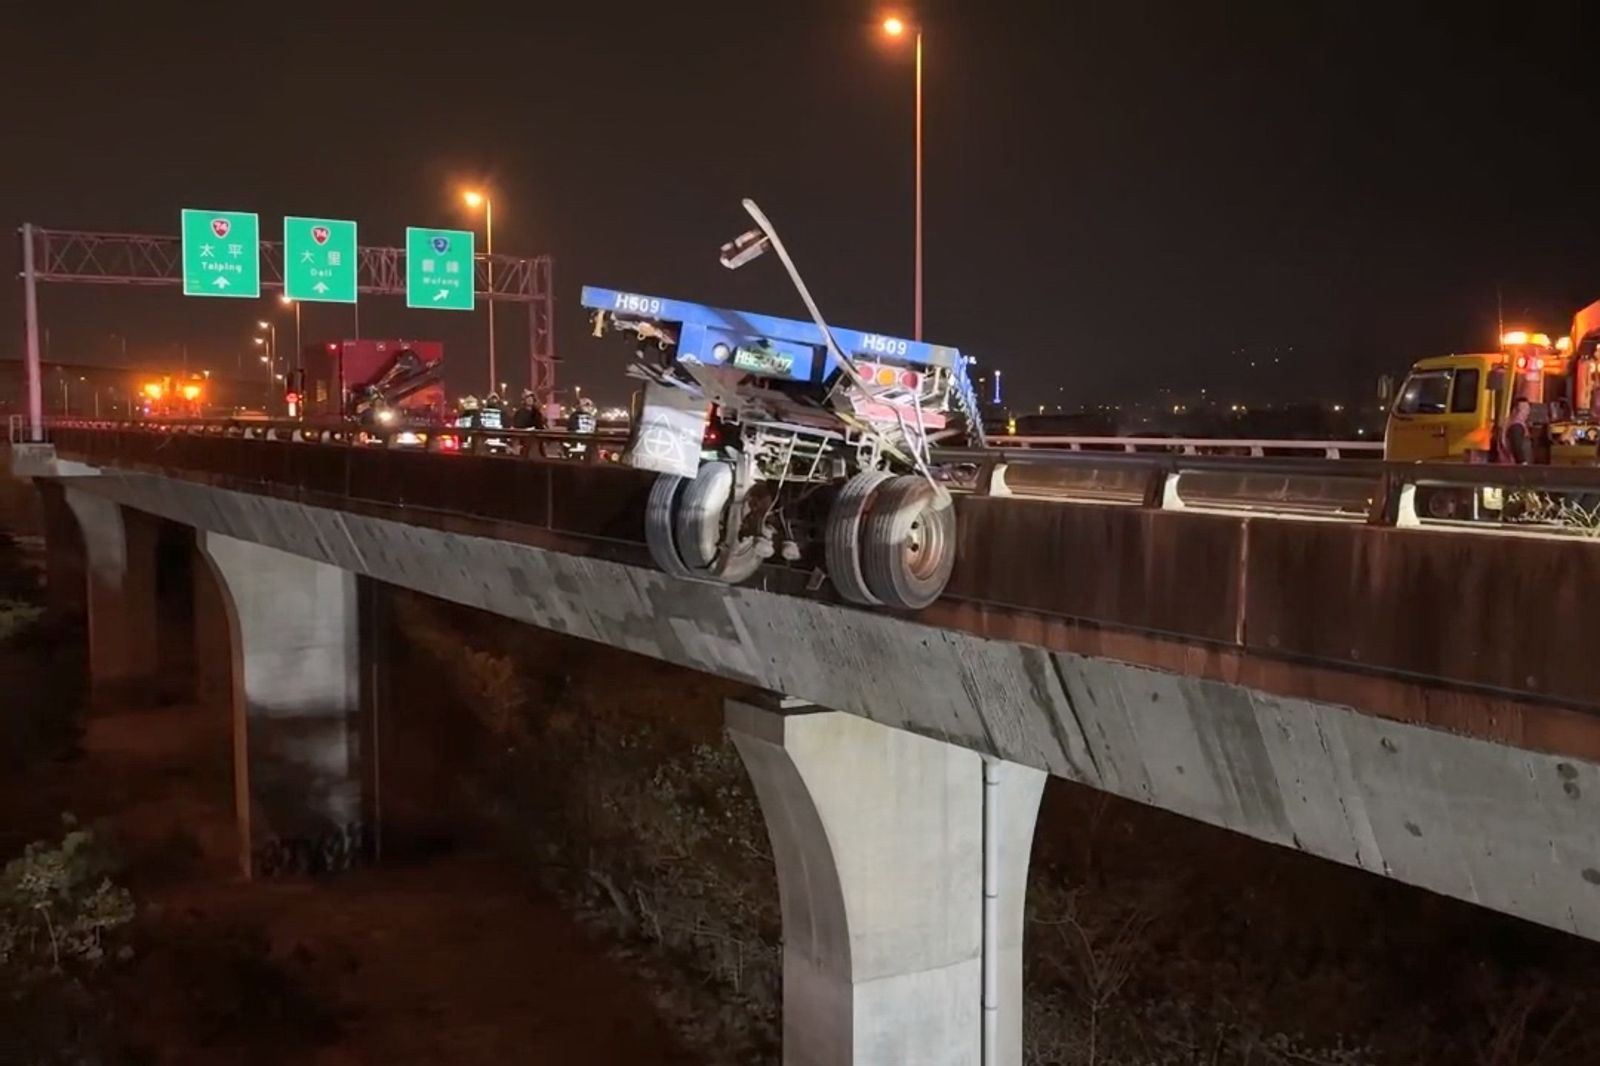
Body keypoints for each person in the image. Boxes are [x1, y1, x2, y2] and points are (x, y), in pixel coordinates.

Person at [1502, 396, 1533, 465]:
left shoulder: (1509, 422)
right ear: (1515, 410)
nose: (1527, 413)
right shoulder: (1516, 426)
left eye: (1527, 410)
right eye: (1524, 410)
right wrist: (1523, 463)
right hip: (1514, 466)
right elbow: (1516, 446)